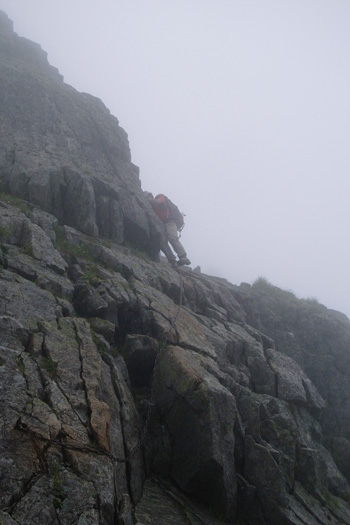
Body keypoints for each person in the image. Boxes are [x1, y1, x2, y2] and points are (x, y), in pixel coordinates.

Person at [145, 192, 191, 267]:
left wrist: (147, 199)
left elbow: (157, 201)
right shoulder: (152, 208)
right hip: (162, 224)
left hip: (170, 222)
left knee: (172, 238)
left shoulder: (160, 197)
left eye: (148, 197)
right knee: (162, 242)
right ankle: (172, 260)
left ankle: (183, 257)